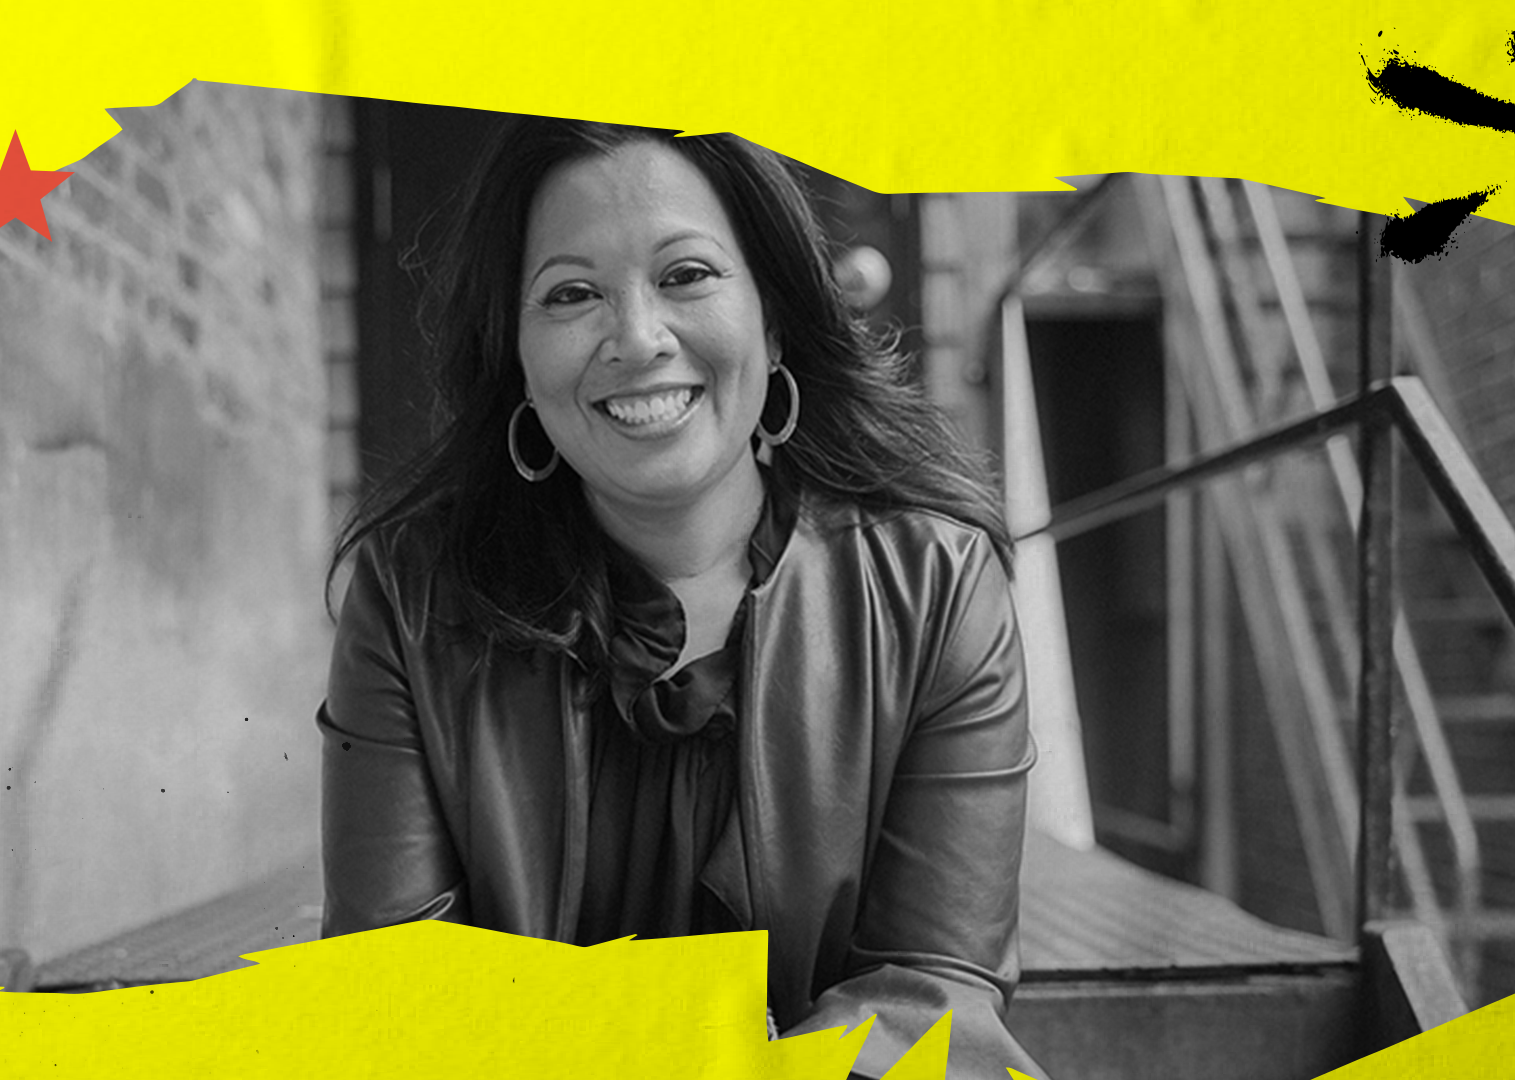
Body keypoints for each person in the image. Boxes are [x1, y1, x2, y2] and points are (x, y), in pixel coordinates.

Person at [318, 116, 1047, 1080]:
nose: (637, 338)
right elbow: (395, 989)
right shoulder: (409, 597)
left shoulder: (936, 586)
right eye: (572, 293)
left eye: (686, 274)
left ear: (773, 318)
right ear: (518, 358)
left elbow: (933, 996)